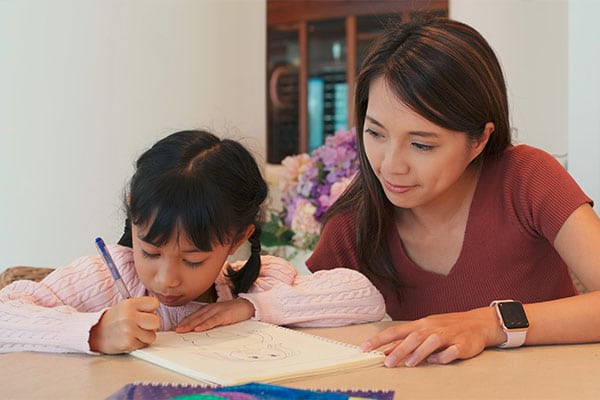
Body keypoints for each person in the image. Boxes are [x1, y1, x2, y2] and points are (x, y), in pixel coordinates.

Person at [307, 18, 600, 368]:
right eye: (375, 133)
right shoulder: (353, 222)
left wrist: (491, 324)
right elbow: (300, 326)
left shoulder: (527, 178)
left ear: (479, 139)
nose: (390, 165)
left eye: (420, 144)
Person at [0, 130, 385, 354]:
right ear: (133, 217)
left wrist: (251, 308)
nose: (167, 278)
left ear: (238, 239)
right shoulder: (101, 279)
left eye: (194, 260)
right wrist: (93, 330)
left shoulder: (248, 284)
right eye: (150, 251)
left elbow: (364, 297)